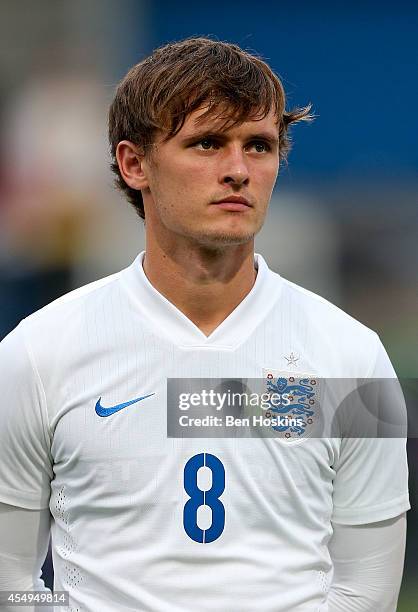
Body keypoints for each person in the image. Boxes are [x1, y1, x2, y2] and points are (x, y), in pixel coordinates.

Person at [0, 37, 410, 612]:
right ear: (134, 164)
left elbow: (369, 587)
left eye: (259, 146)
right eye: (208, 143)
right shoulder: (37, 352)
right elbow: (8, 576)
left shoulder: (353, 355)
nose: (238, 170)